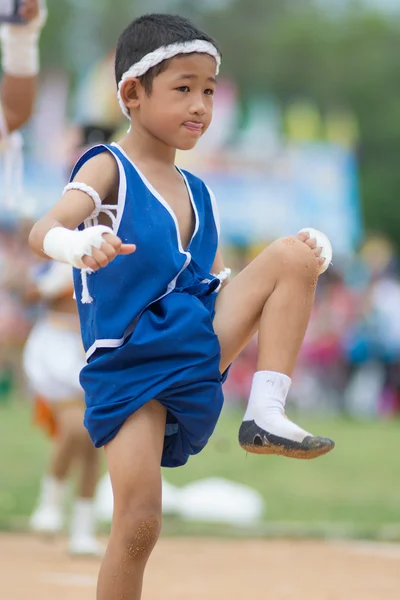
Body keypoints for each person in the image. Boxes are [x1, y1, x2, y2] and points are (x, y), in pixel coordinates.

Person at [29, 13, 334, 599]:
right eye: (183, 88)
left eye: (209, 91)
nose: (201, 105)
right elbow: (45, 227)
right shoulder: (107, 166)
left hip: (191, 335)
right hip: (129, 362)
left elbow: (192, 282)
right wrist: (79, 244)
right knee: (140, 521)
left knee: (294, 256)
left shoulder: (199, 190)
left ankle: (265, 414)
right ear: (132, 94)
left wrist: (307, 255)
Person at [22, 259, 104, 556]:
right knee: (73, 426)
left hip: (95, 344)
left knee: (95, 443)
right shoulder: (61, 252)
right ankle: (50, 504)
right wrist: (64, 272)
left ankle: (82, 531)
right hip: (57, 347)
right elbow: (31, 293)